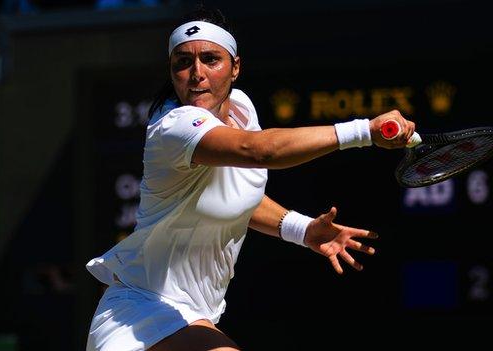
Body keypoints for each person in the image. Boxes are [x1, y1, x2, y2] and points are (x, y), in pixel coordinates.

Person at [85, 6, 415, 351]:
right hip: (140, 312)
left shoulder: (240, 108)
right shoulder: (175, 127)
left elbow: (238, 196)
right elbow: (261, 151)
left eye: (211, 60)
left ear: (235, 67)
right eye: (183, 63)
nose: (196, 73)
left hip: (191, 315)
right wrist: (363, 131)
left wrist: (302, 230)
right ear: (172, 73)